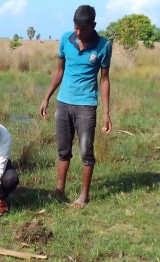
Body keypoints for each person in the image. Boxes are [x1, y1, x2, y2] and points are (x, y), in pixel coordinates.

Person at [39, 5, 112, 208]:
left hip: (86, 106)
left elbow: (104, 79)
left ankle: (84, 196)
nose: (77, 32)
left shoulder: (104, 46)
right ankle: (59, 190)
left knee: (86, 152)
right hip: (63, 103)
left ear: (93, 25)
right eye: (75, 27)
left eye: (82, 28)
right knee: (63, 150)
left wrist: (106, 112)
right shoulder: (65, 39)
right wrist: (47, 97)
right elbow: (59, 71)